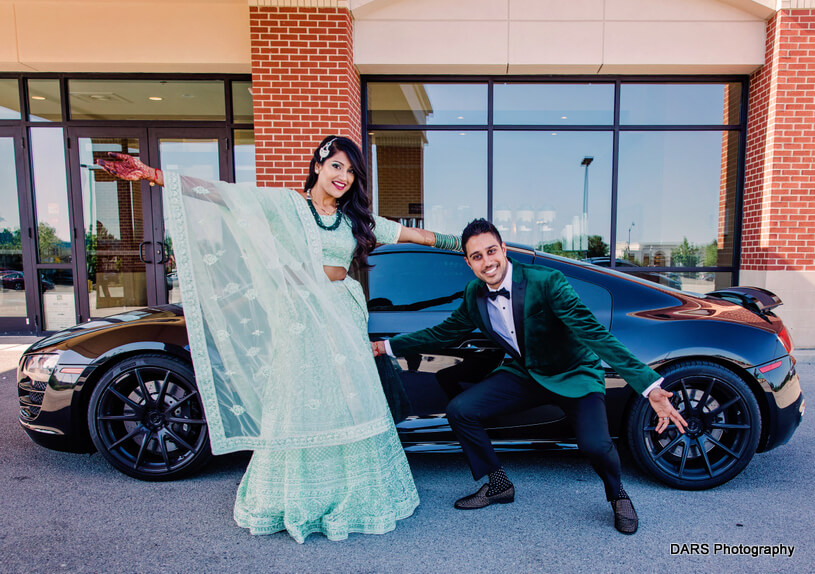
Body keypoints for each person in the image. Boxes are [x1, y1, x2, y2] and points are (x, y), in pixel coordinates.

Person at [97, 136, 462, 543]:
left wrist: (461, 244)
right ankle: (302, 497)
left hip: (342, 315)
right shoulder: (287, 206)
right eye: (337, 166)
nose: (344, 177)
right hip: (302, 317)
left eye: (351, 171)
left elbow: (415, 237)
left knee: (348, 400)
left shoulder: (354, 220)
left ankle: (352, 494)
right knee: (301, 399)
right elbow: (224, 196)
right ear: (319, 165)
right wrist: (153, 175)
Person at [372, 218, 688, 535]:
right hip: (528, 372)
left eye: (491, 251)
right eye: (477, 256)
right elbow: (443, 332)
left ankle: (618, 495)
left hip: (573, 373)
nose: (487, 262)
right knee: (461, 410)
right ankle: (497, 484)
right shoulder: (474, 294)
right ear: (469, 263)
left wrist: (649, 386)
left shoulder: (547, 281)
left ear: (504, 249)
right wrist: (386, 346)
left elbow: (594, 334)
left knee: (595, 445)